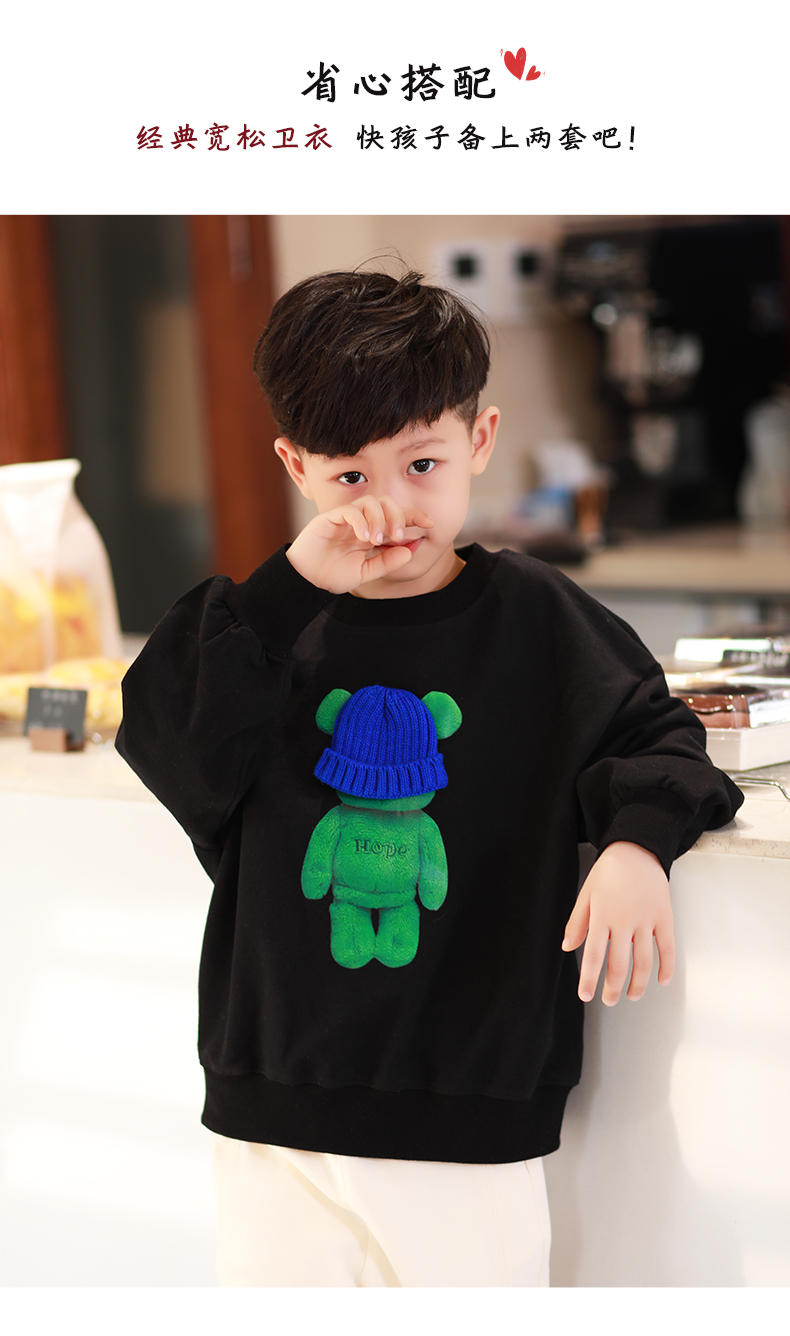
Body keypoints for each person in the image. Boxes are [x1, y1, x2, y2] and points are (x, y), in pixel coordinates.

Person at [115, 268, 743, 1287]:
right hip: (271, 1096)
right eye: (348, 476)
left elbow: (660, 735)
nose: (389, 508)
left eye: (421, 464)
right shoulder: (260, 626)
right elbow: (169, 744)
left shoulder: (536, 619)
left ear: (478, 441)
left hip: (467, 1098)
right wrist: (286, 590)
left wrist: (637, 846)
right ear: (295, 465)